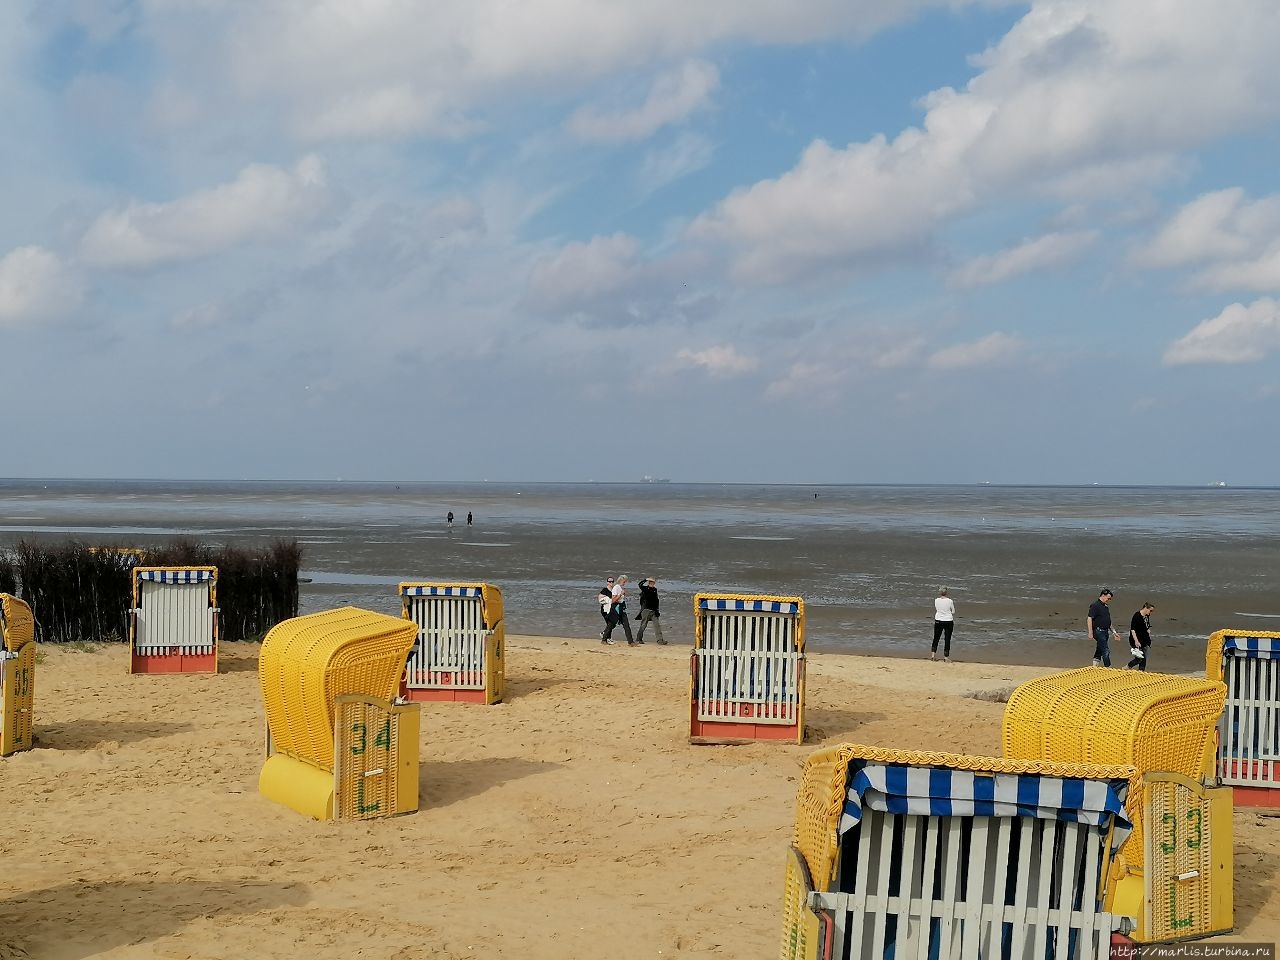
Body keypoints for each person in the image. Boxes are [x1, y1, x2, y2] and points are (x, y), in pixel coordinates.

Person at [1087, 588, 1120, 667]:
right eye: (1108, 598)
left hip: (1105, 631)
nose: (1109, 600)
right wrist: (1090, 632)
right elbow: (1089, 618)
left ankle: (1094, 666)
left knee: (1100, 648)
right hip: (1098, 631)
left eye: (1110, 599)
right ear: (1103, 595)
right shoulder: (1095, 605)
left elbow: (1108, 621)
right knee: (1106, 650)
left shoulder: (1105, 606)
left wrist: (1114, 632)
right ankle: (1108, 667)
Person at [601, 574, 636, 646]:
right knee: (611, 624)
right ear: (620, 580)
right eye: (624, 581)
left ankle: (631, 642)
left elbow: (620, 599)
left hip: (621, 608)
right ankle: (604, 639)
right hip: (615, 608)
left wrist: (623, 595)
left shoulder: (620, 588)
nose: (625, 583)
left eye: (625, 581)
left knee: (626, 624)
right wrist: (620, 595)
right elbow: (613, 600)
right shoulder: (616, 587)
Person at [636, 577, 666, 645]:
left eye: (653, 582)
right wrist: (646, 579)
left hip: (654, 611)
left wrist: (657, 610)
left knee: (657, 625)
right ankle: (638, 639)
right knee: (643, 625)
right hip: (646, 610)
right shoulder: (645, 588)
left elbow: (656, 601)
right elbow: (640, 584)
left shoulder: (655, 590)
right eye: (651, 582)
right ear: (649, 582)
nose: (652, 583)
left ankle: (660, 640)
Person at [1127, 602, 1156, 671]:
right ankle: (1127, 667)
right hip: (1137, 640)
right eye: (1150, 611)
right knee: (1139, 659)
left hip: (1145, 640)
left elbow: (1146, 625)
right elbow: (1133, 630)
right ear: (1146, 608)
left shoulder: (1146, 616)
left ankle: (1141, 671)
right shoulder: (1137, 616)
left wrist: (1148, 630)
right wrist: (1136, 641)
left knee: (1144, 658)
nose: (1150, 613)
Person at [931, 587, 955, 662]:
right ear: (946, 592)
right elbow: (953, 611)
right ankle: (946, 657)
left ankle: (933, 655)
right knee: (947, 639)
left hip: (938, 620)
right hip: (948, 620)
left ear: (940, 592)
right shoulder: (950, 601)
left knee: (936, 637)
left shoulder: (936, 600)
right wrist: (947, 612)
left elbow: (937, 609)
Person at [598, 577, 615, 643]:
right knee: (610, 623)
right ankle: (606, 636)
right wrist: (607, 598)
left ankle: (606, 636)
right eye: (609, 581)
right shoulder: (605, 590)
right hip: (605, 610)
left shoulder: (613, 590)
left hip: (611, 609)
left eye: (612, 581)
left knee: (611, 624)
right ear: (607, 582)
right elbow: (599, 598)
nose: (611, 583)